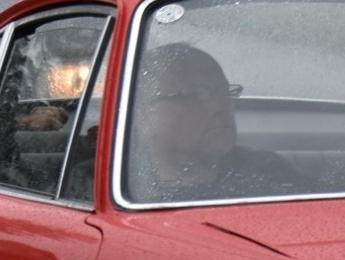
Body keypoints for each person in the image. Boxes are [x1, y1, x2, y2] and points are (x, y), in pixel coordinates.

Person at [127, 43, 308, 202]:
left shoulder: (267, 170)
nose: (218, 106)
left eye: (223, 91)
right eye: (193, 95)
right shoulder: (124, 188)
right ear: (143, 117)